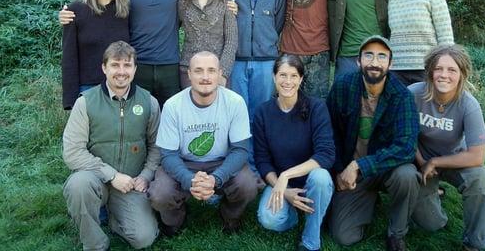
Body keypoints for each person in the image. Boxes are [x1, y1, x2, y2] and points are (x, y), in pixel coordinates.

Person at [60, 0, 185, 110]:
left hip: (170, 66)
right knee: (136, 122)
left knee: (171, 122)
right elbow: (99, 6)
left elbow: (197, 5)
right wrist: (68, 13)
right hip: (135, 67)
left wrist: (228, 4)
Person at [62, 41, 160, 250]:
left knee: (144, 238)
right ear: (104, 68)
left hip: (131, 183)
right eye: (115, 65)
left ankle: (117, 218)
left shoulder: (148, 102)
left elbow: (156, 146)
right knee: (77, 186)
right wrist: (112, 175)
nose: (121, 72)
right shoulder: (85, 102)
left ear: (135, 69)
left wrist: (146, 175)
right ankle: (95, 243)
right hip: (95, 177)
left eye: (127, 65)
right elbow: (72, 152)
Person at [148, 51, 258, 235]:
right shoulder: (173, 105)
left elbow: (240, 150)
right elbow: (168, 155)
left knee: (248, 184)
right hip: (184, 162)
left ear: (220, 73)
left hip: (221, 161)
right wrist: (189, 180)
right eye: (199, 71)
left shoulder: (235, 102)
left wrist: (216, 178)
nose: (205, 77)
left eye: (211, 71)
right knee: (160, 193)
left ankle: (230, 217)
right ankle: (174, 221)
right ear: (189, 74)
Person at [326, 35, 419, 251]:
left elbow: (406, 146)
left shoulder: (402, 95)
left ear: (390, 63)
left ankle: (396, 233)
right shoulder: (343, 86)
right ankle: (368, 199)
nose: (374, 63)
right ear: (358, 61)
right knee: (343, 236)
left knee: (407, 175)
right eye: (368, 55)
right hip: (353, 174)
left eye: (381, 56)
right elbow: (329, 134)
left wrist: (360, 165)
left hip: (386, 169)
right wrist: (339, 171)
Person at [409, 45, 485, 251]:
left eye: (452, 70)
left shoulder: (468, 104)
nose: (444, 75)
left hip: (455, 159)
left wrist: (436, 162)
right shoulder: (413, 94)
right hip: (420, 160)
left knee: (481, 181)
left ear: (461, 74)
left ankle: (475, 242)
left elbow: (477, 156)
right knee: (431, 224)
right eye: (438, 68)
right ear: (430, 71)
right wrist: (422, 162)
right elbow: (403, 135)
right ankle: (434, 197)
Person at [219, 0, 286, 169]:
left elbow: (278, 20)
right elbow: (220, 14)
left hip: (266, 59)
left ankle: (259, 165)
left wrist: (265, 40)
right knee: (237, 115)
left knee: (260, 115)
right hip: (235, 59)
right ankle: (239, 166)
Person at [254, 54, 335, 251]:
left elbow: (326, 154)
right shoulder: (263, 113)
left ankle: (310, 238)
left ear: (300, 79)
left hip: (311, 181)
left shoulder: (316, 108)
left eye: (293, 76)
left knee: (322, 178)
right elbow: (262, 161)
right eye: (282, 75)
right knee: (269, 219)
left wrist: (286, 175)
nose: (287, 81)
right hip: (282, 185)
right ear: (274, 78)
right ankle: (295, 212)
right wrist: (283, 190)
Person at [61, 0, 130, 110]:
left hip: (121, 87)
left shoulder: (127, 11)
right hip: (87, 90)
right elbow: (69, 59)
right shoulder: (76, 10)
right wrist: (70, 100)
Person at [387, 0, 454, 86]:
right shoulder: (389, 0)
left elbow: (445, 35)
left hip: (427, 68)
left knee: (427, 107)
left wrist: (444, 66)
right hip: (396, 70)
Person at [178, 0, 237, 88]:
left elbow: (231, 41)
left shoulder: (225, 1)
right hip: (189, 70)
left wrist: (223, 73)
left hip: (217, 70)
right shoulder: (182, 2)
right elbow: (170, 31)